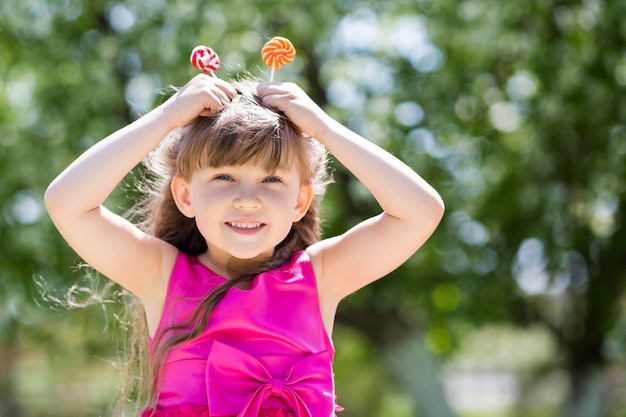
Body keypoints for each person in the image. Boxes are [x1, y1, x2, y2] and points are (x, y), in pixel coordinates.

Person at [45, 74, 445, 417]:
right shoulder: (161, 275)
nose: (248, 198)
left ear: (299, 202)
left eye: (272, 180)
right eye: (224, 177)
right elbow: (67, 202)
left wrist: (322, 127)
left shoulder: (320, 275)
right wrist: (165, 118)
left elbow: (420, 211)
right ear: (185, 196)